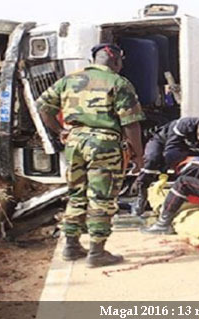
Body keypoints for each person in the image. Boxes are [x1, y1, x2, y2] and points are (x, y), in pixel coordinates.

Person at [36, 43, 145, 267]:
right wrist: (138, 156)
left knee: (76, 195)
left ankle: (71, 246)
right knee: (101, 198)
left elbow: (43, 107)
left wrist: (61, 132)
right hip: (104, 145)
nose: (121, 65)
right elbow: (131, 124)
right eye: (121, 61)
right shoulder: (118, 83)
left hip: (74, 143)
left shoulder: (69, 80)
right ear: (114, 59)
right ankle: (97, 252)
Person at [132, 117, 199, 216]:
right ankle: (141, 197)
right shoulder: (184, 125)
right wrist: (164, 171)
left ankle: (184, 200)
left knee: (194, 171)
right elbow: (170, 152)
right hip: (163, 142)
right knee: (152, 159)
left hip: (184, 152)